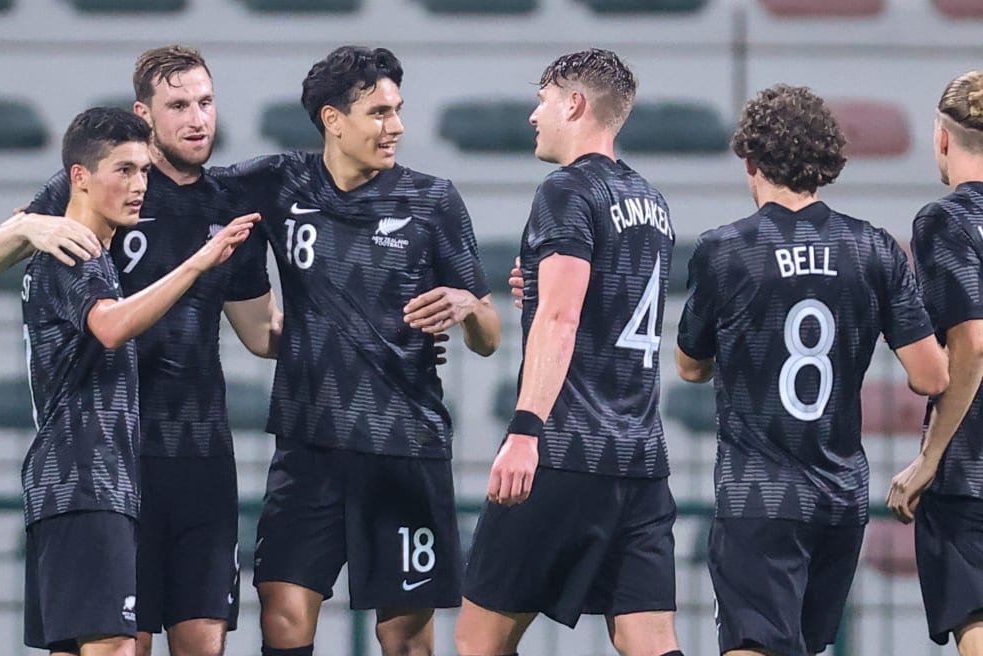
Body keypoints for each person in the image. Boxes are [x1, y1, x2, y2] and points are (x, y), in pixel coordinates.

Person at [0, 46, 281, 656]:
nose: (197, 119)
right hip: (114, 461)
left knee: (199, 642)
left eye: (206, 102)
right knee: (115, 643)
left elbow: (262, 333)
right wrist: (30, 226)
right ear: (145, 113)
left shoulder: (229, 208)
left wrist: (365, 333)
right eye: (180, 105)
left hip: (201, 455)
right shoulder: (103, 184)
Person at [213, 45, 501, 656]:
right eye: (378, 113)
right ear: (331, 119)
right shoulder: (277, 183)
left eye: (398, 110)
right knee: (283, 613)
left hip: (405, 448)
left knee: (405, 637)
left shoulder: (434, 200)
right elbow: (181, 187)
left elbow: (489, 335)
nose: (395, 127)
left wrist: (469, 307)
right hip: (309, 444)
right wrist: (47, 214)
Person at [675, 83, 950, 656]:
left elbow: (690, 367)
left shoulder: (726, 249)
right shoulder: (873, 248)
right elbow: (930, 376)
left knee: (753, 645)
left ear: (749, 161)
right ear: (826, 163)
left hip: (759, 493)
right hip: (840, 496)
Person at [453, 49, 683, 656]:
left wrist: (526, 431)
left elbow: (562, 317)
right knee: (648, 638)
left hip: (564, 450)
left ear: (575, 104)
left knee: (479, 640)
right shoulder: (651, 201)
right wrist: (540, 285)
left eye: (544, 99)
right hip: (639, 457)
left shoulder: (565, 191)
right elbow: (608, 300)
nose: (534, 115)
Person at [21, 106, 256, 656]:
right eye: (123, 171)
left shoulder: (82, 251)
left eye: (144, 171)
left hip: (80, 486)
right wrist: (198, 264)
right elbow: (110, 325)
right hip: (84, 480)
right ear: (79, 177)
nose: (138, 186)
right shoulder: (75, 252)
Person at [886, 70, 983, 654]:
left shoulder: (944, 220)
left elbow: (971, 342)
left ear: (943, 139)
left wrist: (929, 459)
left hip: (973, 471)